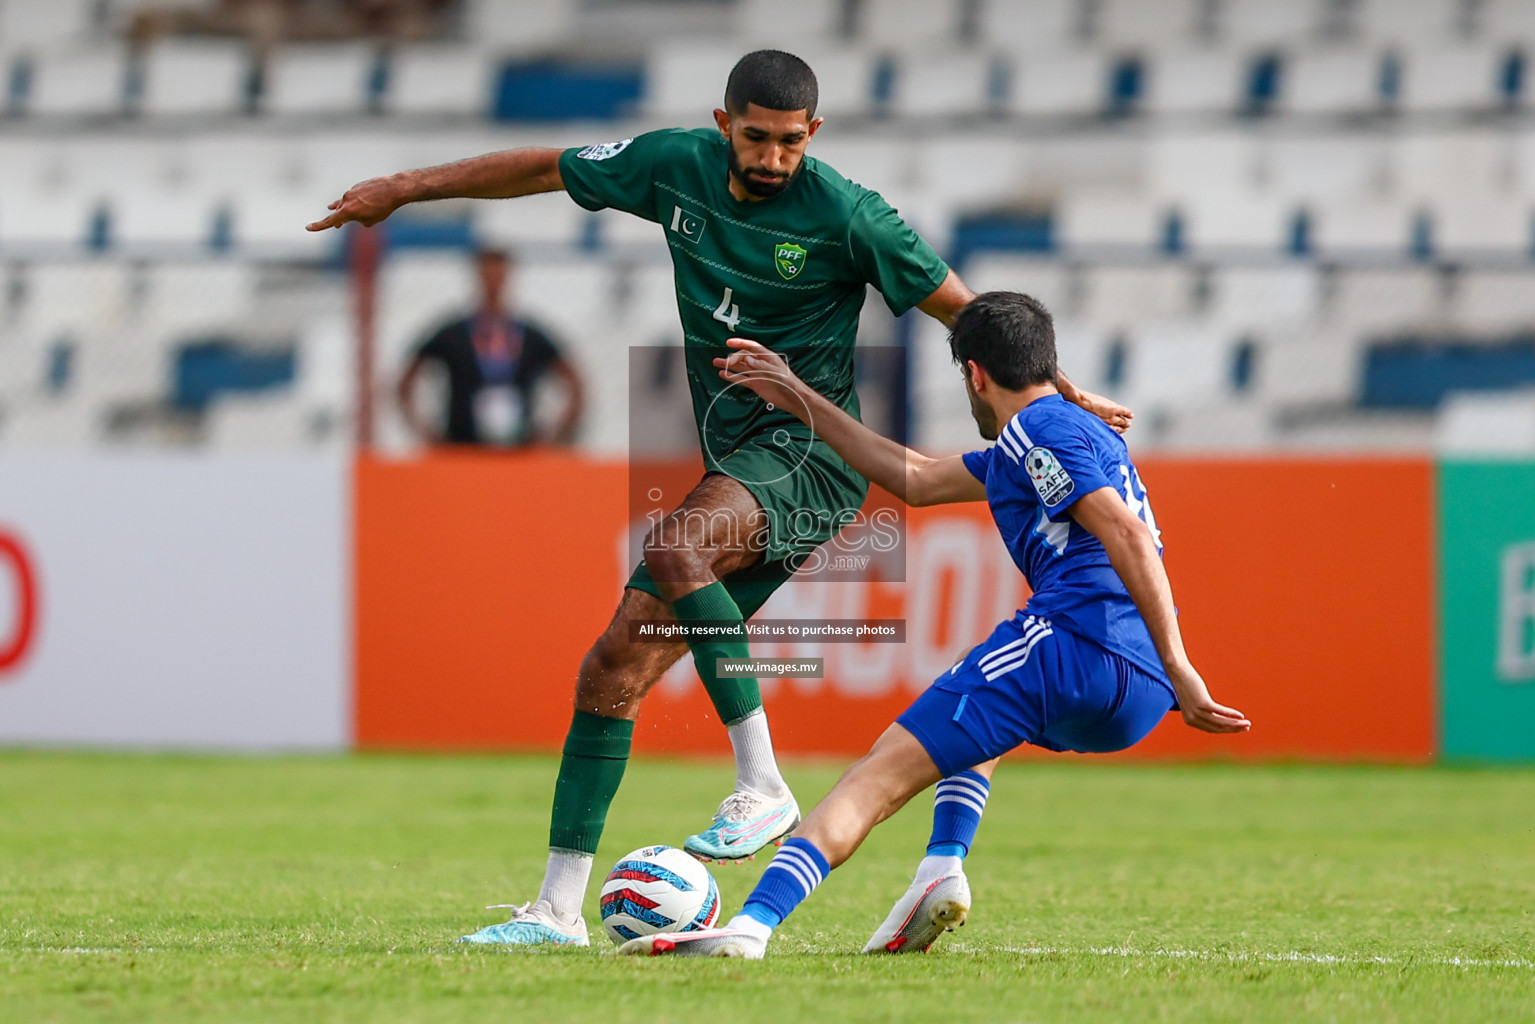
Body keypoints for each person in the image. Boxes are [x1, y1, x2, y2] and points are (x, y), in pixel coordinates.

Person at [308, 50, 1130, 948]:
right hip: (737, 456)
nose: (772, 158)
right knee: (612, 667)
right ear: (722, 122)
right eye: (756, 138)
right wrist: (402, 186)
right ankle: (554, 912)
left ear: (811, 135)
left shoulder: (849, 215)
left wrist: (1057, 388)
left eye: (789, 142)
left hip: (812, 453)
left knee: (675, 546)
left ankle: (762, 783)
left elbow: (964, 311)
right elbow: (546, 167)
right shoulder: (673, 167)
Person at [622, 291, 1250, 959]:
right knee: (979, 722)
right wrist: (796, 395)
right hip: (1138, 688)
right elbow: (916, 478)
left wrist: (1183, 662)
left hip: (1075, 644)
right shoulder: (1063, 434)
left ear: (974, 374)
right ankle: (938, 870)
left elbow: (1123, 532)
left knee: (876, 774)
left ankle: (748, 929)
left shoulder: (1039, 432)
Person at [397, 248, 584, 448]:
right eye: (488, 275)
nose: (493, 283)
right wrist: (428, 435)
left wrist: (551, 439)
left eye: (498, 275)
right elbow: (406, 381)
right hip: (462, 449)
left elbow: (574, 384)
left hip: (519, 451)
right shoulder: (453, 334)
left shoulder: (530, 336)